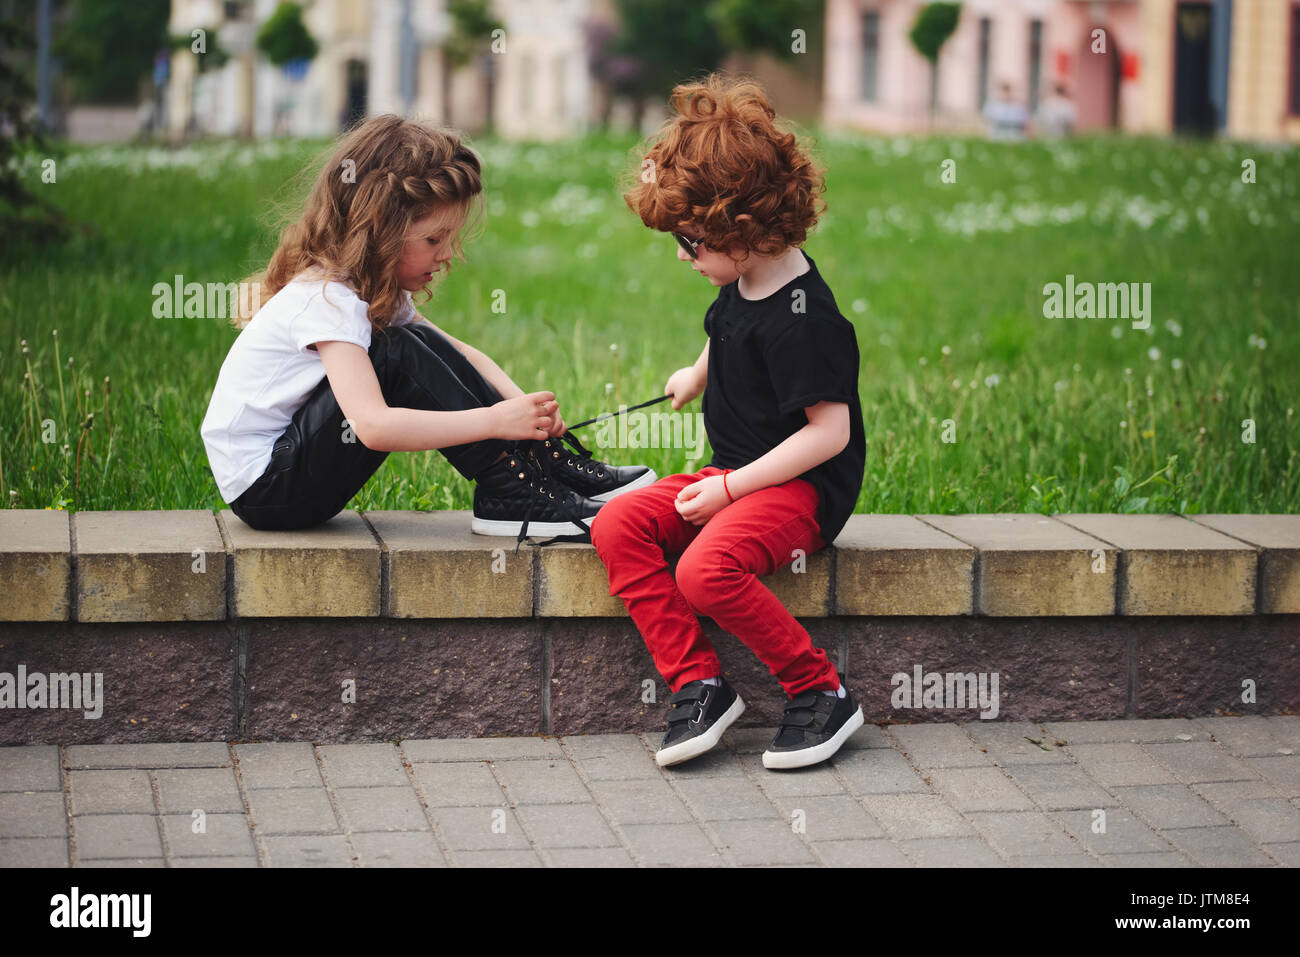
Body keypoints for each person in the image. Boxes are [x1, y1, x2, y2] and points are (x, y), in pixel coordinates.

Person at [200, 115, 654, 548]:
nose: (446, 256)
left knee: (415, 341)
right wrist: (495, 421)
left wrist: (530, 417)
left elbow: (459, 354)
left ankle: (540, 466)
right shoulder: (327, 299)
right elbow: (372, 426)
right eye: (434, 240)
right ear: (380, 231)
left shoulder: (368, 292)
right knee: (399, 351)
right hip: (269, 490)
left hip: (294, 476)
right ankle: (508, 491)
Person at [589, 75, 867, 770]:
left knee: (706, 570)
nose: (683, 256)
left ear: (741, 228)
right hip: (734, 474)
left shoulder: (807, 321)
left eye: (691, 241)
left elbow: (829, 434)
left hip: (798, 489)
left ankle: (821, 691)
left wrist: (733, 491)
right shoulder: (742, 278)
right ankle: (699, 683)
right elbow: (728, 332)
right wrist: (696, 373)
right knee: (616, 523)